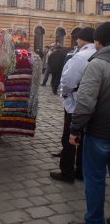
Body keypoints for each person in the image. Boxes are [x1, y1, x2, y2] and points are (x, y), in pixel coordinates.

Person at [68, 22, 110, 224]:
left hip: (100, 133)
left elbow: (85, 101)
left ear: (99, 41)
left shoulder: (97, 64)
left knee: (95, 178)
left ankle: (94, 220)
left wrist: (75, 129)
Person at [50, 27, 96, 183]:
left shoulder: (80, 56)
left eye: (78, 38)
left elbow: (69, 81)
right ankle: (81, 171)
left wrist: (65, 93)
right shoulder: (98, 54)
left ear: (83, 39)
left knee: (69, 138)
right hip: (93, 103)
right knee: (84, 139)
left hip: (75, 103)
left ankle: (67, 172)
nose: (76, 40)